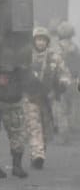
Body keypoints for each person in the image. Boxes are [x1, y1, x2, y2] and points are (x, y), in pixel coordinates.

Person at [0, 42, 33, 179]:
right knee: (16, 133)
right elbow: (25, 75)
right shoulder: (17, 50)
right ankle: (16, 166)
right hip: (11, 100)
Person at [28, 27, 70, 168]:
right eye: (38, 39)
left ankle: (40, 151)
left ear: (47, 41)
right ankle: (37, 154)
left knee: (46, 129)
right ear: (34, 41)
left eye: (43, 40)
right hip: (32, 97)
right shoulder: (28, 56)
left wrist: (63, 82)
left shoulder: (54, 57)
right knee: (34, 127)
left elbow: (64, 73)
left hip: (48, 99)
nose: (40, 43)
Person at [55, 21, 80, 135]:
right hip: (74, 81)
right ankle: (73, 128)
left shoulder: (57, 47)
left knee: (61, 108)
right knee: (73, 107)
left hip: (61, 81)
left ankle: (63, 133)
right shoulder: (75, 48)